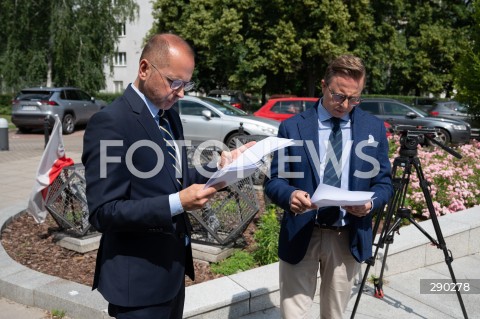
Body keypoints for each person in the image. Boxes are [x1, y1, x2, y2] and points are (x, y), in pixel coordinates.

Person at [82, 33, 253, 319]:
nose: (182, 92)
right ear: (145, 69)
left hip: (171, 274)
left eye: (187, 84)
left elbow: (176, 176)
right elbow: (104, 212)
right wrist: (177, 202)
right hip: (137, 285)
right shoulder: (110, 123)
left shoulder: (168, 114)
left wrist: (224, 168)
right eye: (175, 82)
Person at [264, 54, 393, 318]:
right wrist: (290, 196)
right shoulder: (292, 128)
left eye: (354, 98)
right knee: (293, 314)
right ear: (324, 85)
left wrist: (369, 204)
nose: (345, 104)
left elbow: (384, 183)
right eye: (338, 95)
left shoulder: (374, 128)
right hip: (302, 232)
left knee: (334, 314)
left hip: (347, 236)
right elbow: (274, 180)